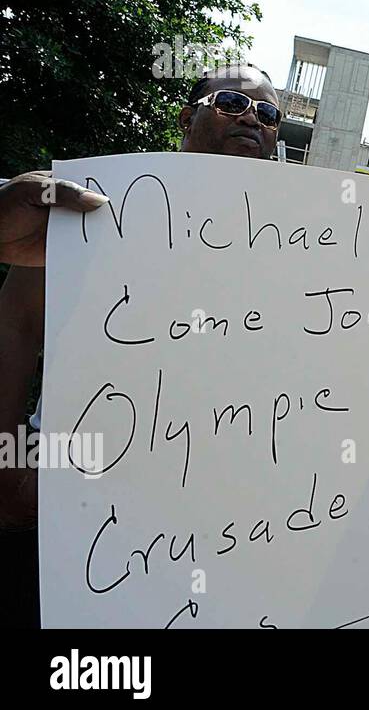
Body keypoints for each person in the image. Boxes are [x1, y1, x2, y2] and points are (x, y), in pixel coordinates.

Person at [0, 64, 282, 625]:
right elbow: (16, 324)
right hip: (77, 507)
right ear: (187, 115)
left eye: (270, 114)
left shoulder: (310, 236)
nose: (253, 117)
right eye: (231, 101)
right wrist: (9, 465)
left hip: (233, 528)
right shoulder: (102, 202)